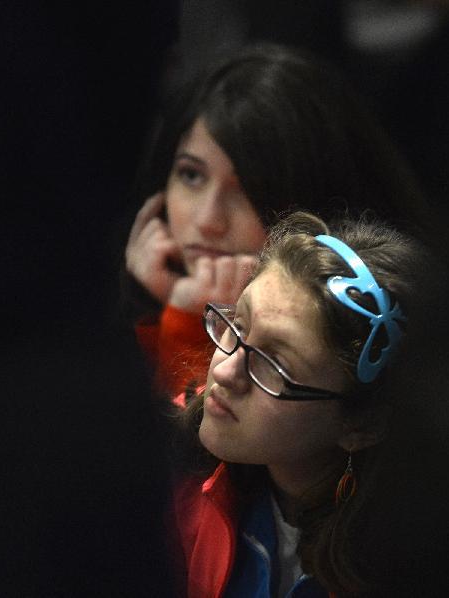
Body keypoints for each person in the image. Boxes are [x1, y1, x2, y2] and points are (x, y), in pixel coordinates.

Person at [120, 43, 429, 398]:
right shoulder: (137, 297)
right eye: (192, 175)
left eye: (249, 189)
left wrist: (190, 325)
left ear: (315, 198)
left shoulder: (363, 345)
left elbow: (195, 448)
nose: (208, 220)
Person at [167, 211, 433, 597]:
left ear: (362, 426)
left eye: (274, 365)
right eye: (238, 327)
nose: (225, 372)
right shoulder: (167, 467)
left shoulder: (419, 568)